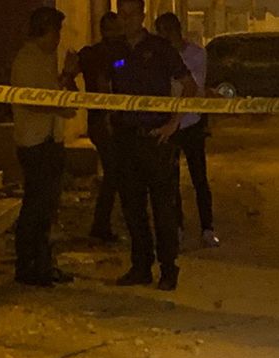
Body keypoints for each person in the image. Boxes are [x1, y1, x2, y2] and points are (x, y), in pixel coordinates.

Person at [109, 0, 198, 292]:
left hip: (156, 139)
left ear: (142, 16)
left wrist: (174, 123)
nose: (125, 20)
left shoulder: (160, 49)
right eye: (121, 15)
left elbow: (189, 85)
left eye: (131, 14)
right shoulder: (115, 50)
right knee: (132, 208)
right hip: (126, 139)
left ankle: (168, 268)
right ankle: (141, 266)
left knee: (163, 209)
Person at [10, 7, 78, 287]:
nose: (58, 38)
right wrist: (59, 108)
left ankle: (44, 263)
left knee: (48, 207)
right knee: (36, 206)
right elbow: (31, 101)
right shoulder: (26, 60)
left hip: (51, 140)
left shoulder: (49, 58)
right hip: (34, 142)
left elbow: (56, 92)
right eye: (55, 32)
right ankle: (29, 265)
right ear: (43, 31)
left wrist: (68, 76)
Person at [154, 12, 219, 249]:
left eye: (167, 31)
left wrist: (176, 120)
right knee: (171, 180)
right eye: (160, 32)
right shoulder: (159, 56)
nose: (165, 37)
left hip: (191, 122)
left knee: (198, 177)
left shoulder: (196, 54)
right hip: (168, 123)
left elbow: (192, 88)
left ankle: (207, 228)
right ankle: (177, 226)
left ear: (177, 30)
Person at [75, 12, 125, 244]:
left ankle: (105, 222)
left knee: (117, 172)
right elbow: (70, 73)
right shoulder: (96, 54)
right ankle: (101, 224)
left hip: (115, 120)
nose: (118, 33)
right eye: (114, 29)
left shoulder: (115, 54)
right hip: (103, 122)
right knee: (114, 172)